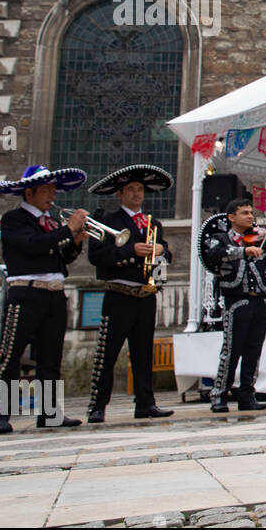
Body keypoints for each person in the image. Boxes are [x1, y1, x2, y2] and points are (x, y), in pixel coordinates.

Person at [0, 165, 90, 433]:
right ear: (29, 192)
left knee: (50, 357)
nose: (51, 196)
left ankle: (50, 412)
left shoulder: (52, 223)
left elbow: (59, 259)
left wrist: (75, 241)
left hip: (53, 293)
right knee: (10, 354)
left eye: (53, 191)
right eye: (46, 191)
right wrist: (67, 230)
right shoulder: (14, 219)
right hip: (25, 293)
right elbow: (34, 246)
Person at [85, 165, 174, 423]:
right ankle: (98, 405)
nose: (136, 194)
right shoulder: (107, 221)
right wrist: (131, 251)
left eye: (139, 190)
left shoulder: (152, 223)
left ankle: (146, 403)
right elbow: (97, 256)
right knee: (108, 352)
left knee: (143, 352)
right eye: (130, 190)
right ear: (120, 194)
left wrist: (162, 252)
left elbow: (165, 256)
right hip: (119, 294)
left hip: (145, 295)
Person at [201, 198, 266, 412]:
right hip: (236, 300)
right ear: (231, 217)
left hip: (259, 300)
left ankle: (247, 394)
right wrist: (243, 251)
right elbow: (214, 254)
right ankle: (219, 395)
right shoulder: (219, 238)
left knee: (253, 349)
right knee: (231, 349)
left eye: (251, 212)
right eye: (245, 213)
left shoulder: (260, 240)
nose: (250, 216)